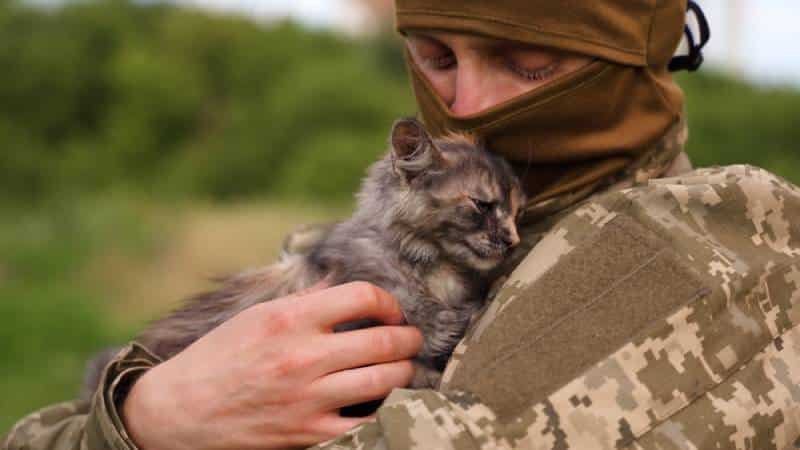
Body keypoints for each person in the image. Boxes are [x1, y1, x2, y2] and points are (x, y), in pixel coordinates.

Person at [6, 0, 800, 449]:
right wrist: (150, 411)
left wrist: (139, 428)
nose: (472, 109)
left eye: (531, 66)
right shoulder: (432, 235)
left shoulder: (683, 255)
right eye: (437, 56)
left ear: (644, 53)